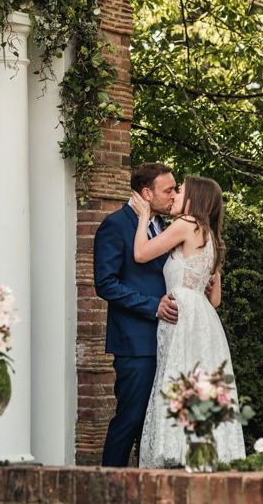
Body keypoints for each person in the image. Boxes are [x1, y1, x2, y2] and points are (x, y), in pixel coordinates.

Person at [131, 175, 246, 468]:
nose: (176, 194)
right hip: (204, 318)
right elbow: (215, 299)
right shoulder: (213, 238)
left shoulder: (186, 225)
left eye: (180, 190)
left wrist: (144, 217)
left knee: (178, 377)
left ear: (194, 199)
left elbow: (141, 254)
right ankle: (201, 455)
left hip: (182, 315)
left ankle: (178, 455)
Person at [93, 163, 180, 467]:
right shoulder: (115, 225)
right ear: (147, 192)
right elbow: (106, 284)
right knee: (130, 419)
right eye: (168, 190)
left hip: (166, 338)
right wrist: (152, 305)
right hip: (135, 342)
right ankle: (106, 489)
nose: (174, 195)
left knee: (154, 423)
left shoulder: (164, 227)